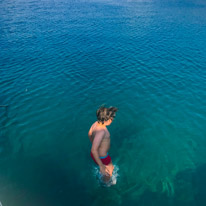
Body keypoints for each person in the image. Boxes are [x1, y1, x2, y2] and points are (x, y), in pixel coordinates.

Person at [88, 106, 118, 182]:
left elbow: (89, 134)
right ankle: (106, 183)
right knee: (109, 171)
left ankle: (102, 173)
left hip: (99, 155)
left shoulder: (96, 123)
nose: (112, 120)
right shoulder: (101, 131)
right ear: (107, 120)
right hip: (102, 157)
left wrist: (94, 143)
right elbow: (93, 150)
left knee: (108, 167)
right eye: (111, 119)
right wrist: (101, 166)